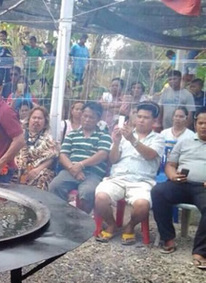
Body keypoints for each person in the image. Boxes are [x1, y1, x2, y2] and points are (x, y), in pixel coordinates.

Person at [94, 102, 164, 244]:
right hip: (118, 178)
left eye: (146, 117)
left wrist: (132, 139)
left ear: (154, 120)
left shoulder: (158, 138)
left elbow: (150, 155)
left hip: (142, 181)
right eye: (139, 116)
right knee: (100, 197)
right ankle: (112, 224)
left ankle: (130, 226)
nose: (141, 120)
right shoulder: (123, 134)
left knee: (143, 205)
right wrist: (116, 142)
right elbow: (113, 160)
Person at [151, 108, 206, 269]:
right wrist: (173, 176)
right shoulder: (185, 141)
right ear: (196, 124)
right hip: (181, 183)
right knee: (158, 192)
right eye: (201, 123)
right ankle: (167, 238)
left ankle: (200, 252)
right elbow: (170, 164)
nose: (204, 126)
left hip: (203, 188)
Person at [49, 102, 112, 213]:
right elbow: (63, 155)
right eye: (85, 116)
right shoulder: (72, 134)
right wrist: (73, 169)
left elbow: (102, 154)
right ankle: (60, 217)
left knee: (87, 192)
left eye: (91, 117)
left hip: (93, 174)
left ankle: (81, 221)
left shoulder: (104, 135)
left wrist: (81, 165)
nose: (87, 119)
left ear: (98, 119)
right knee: (55, 186)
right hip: (70, 171)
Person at [15, 107, 58, 190]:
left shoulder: (48, 139)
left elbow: (51, 158)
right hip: (18, 167)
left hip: (38, 169)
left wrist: (38, 170)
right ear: (29, 119)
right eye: (34, 118)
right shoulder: (20, 134)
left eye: (40, 118)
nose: (36, 120)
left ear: (45, 122)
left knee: (43, 177)